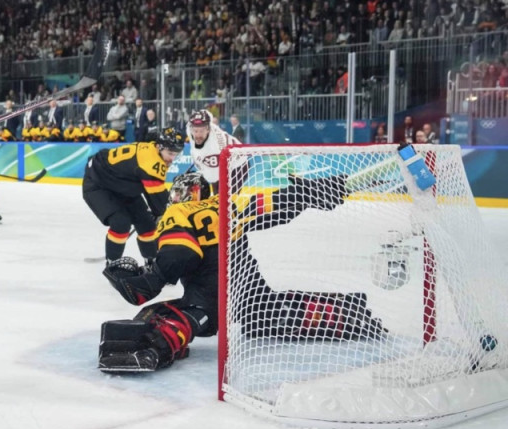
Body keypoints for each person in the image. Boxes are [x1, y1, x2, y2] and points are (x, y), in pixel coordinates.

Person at [98, 171, 385, 372]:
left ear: (193, 192)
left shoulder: (178, 212)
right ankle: (348, 313)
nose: (176, 197)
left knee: (184, 313)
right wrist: (311, 192)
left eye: (180, 192)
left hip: (210, 285)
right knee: (262, 314)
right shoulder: (228, 202)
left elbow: (182, 254)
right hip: (247, 281)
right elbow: (278, 205)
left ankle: (153, 345)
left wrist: (149, 281)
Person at [82, 127, 184, 265]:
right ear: (159, 147)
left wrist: (158, 211)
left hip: (122, 185)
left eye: (176, 155)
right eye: (170, 153)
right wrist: (161, 211)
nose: (172, 159)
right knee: (120, 223)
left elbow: (153, 194)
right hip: (98, 184)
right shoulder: (152, 163)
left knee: (147, 224)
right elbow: (160, 202)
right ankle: (112, 265)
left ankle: (151, 263)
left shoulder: (153, 149)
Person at [186, 109, 241, 188]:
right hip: (221, 160)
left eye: (201, 131)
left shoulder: (215, 148)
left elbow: (212, 178)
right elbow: (206, 113)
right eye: (196, 131)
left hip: (238, 164)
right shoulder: (189, 127)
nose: (198, 135)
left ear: (208, 129)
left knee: (221, 194)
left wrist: (198, 173)